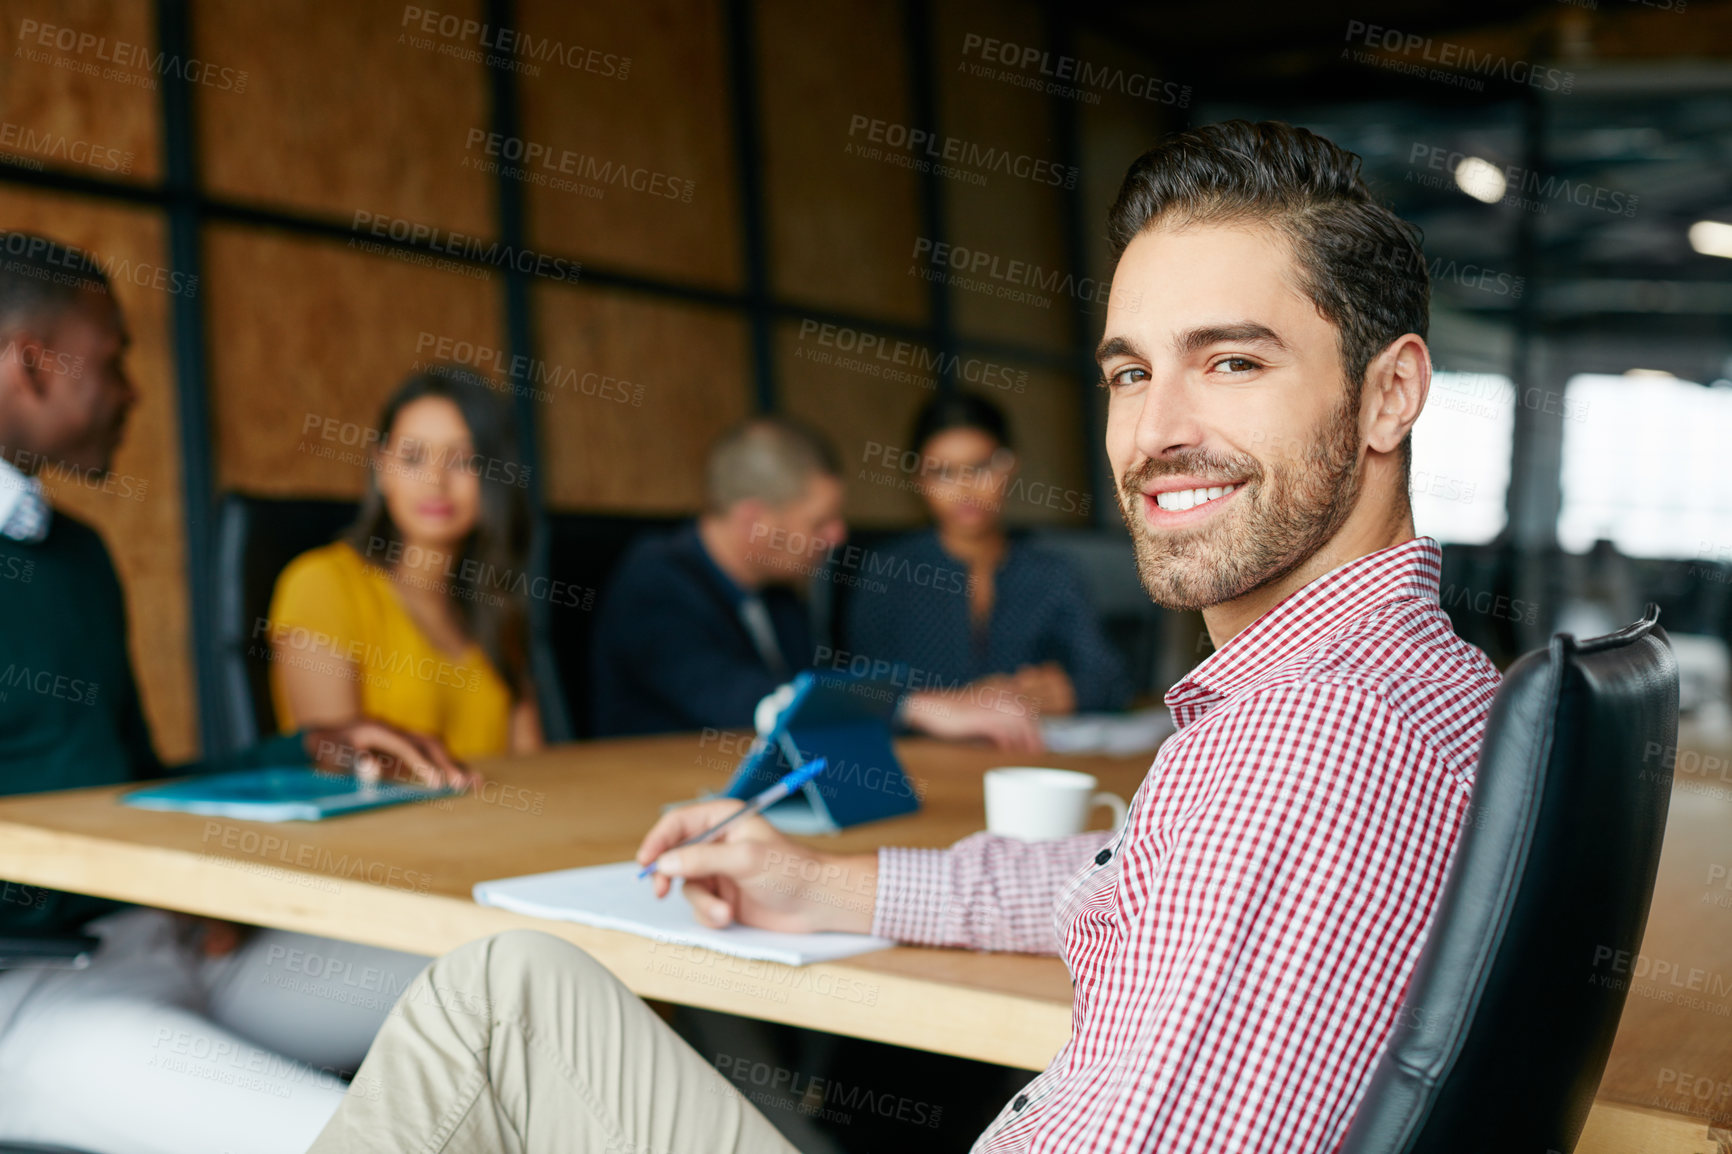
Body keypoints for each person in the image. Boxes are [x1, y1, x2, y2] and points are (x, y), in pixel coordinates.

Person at [307, 120, 1503, 1154]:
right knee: (517, 984)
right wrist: (818, 881)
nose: (1155, 430)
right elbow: (1119, 882)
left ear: (1390, 394)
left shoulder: (1317, 742)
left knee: (490, 1003)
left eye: (1232, 361)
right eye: (1130, 372)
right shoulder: (1408, 683)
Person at [0, 232, 473, 1154]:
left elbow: (127, 783)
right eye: (114, 361)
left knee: (517, 968)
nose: (133, 392)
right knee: (367, 1140)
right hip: (29, 996)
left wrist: (309, 751)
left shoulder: (78, 558)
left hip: (160, 951)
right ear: (33, 365)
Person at [590, 415, 1043, 749]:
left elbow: (815, 684)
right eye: (820, 521)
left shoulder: (779, 593)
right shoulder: (654, 584)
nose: (837, 536)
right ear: (754, 520)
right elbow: (742, 700)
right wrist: (916, 707)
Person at [267, 367, 543, 759]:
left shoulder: (495, 607)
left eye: (462, 460)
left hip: (492, 819)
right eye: (412, 458)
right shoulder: (321, 585)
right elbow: (342, 773)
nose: (435, 480)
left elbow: (536, 769)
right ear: (381, 469)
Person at [846, 391, 1128, 716]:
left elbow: (1111, 680)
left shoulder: (1052, 573)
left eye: (980, 467)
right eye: (943, 472)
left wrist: (1070, 692)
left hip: (1026, 757)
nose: (965, 489)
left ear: (1010, 466)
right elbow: (858, 692)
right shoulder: (886, 573)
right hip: (922, 762)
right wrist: (952, 706)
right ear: (918, 479)